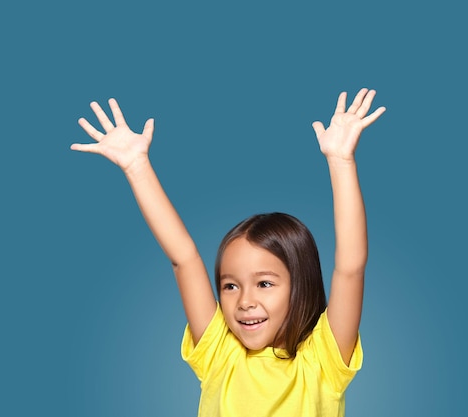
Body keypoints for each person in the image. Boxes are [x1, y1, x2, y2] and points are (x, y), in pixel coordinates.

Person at [70, 88, 386, 416]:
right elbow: (184, 258)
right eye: (230, 286)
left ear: (300, 286)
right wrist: (136, 167)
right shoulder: (219, 352)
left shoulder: (323, 362)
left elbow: (350, 267)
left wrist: (341, 161)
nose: (244, 301)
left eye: (264, 283)